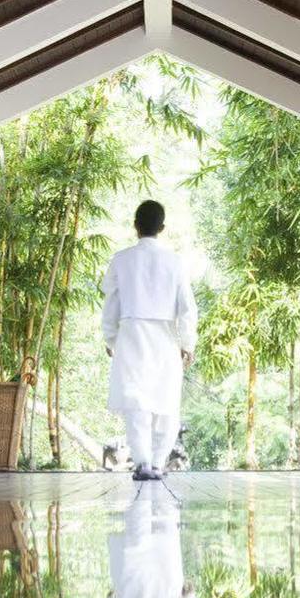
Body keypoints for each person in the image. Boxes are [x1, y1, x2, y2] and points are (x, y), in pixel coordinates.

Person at [102, 200, 197, 480]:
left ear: (135, 225)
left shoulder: (121, 260)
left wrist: (111, 337)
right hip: (165, 338)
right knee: (166, 401)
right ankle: (157, 462)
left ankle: (142, 463)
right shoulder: (175, 262)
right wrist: (187, 343)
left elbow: (112, 302)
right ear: (162, 228)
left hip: (131, 336)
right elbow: (187, 308)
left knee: (136, 401)